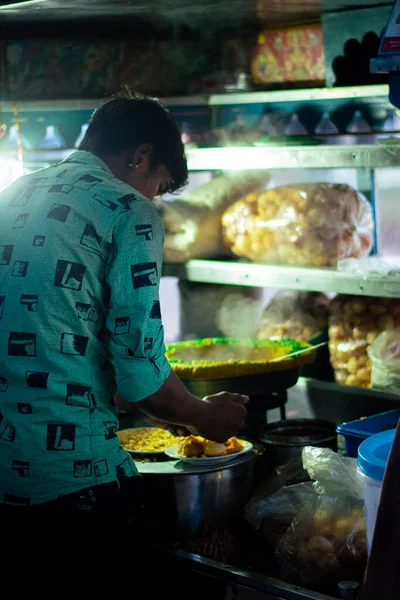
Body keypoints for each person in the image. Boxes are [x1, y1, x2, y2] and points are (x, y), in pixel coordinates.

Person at [0, 95, 248, 543]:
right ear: (141, 156)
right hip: (75, 481)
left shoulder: (16, 191)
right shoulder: (129, 210)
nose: (153, 196)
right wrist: (202, 416)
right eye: (160, 183)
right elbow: (141, 375)